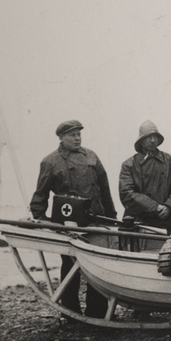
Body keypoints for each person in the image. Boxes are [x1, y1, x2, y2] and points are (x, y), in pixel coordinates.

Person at [29, 119, 117, 319]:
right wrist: (42, 220)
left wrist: (111, 218)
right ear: (61, 138)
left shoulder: (92, 157)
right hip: (69, 226)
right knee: (70, 268)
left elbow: (105, 190)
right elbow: (40, 196)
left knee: (98, 267)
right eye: (72, 135)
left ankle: (97, 313)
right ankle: (70, 313)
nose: (77, 138)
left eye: (79, 134)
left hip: (96, 224)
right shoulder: (50, 162)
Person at [118, 120, 171, 232]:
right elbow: (127, 194)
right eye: (148, 137)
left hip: (165, 222)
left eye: (155, 137)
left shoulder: (169, 161)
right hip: (139, 223)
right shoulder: (129, 165)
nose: (153, 140)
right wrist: (155, 207)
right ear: (141, 140)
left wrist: (168, 207)